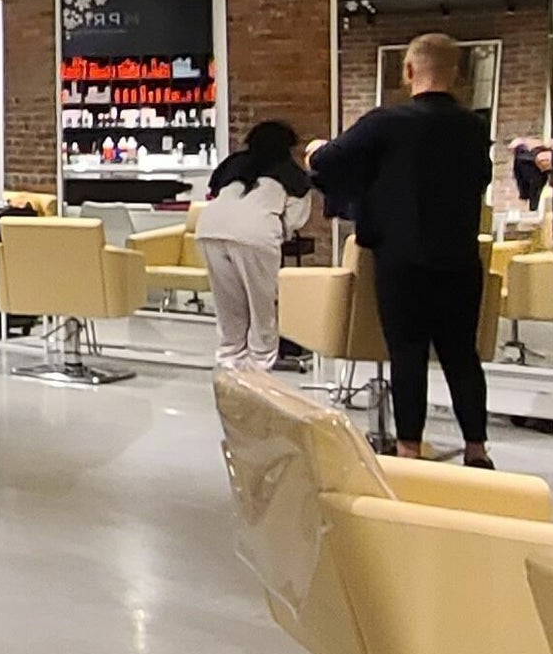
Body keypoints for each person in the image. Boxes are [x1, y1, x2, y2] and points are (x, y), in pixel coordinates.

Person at [309, 31, 497, 463]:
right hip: (459, 258)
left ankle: (409, 448)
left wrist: (317, 149)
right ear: (458, 76)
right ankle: (477, 448)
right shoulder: (473, 128)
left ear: (409, 71)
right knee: (461, 355)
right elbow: (481, 180)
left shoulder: (385, 123)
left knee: (407, 352)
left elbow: (326, 162)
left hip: (402, 258)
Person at [195, 120, 311, 371]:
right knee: (262, 307)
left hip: (209, 228)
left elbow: (214, 193)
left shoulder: (233, 164)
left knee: (228, 307)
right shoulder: (293, 174)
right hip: (255, 234)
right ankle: (260, 366)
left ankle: (229, 361)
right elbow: (293, 220)